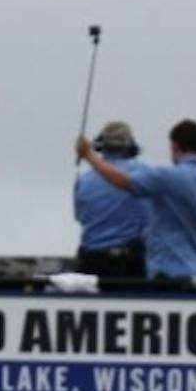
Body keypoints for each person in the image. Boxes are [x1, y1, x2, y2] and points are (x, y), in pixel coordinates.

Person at [75, 119, 196, 290]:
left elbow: (83, 213)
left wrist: (89, 155)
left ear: (174, 146)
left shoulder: (85, 181)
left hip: (164, 274)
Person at [73, 120, 148, 289]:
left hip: (91, 263)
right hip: (131, 266)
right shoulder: (143, 174)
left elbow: (79, 217)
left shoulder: (83, 181)